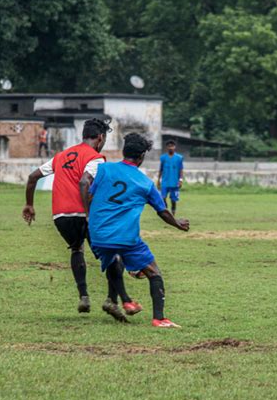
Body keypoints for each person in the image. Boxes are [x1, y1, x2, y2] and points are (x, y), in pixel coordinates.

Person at [22, 118, 134, 320]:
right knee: (114, 254)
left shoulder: (61, 156)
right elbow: (84, 182)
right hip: (85, 214)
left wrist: (29, 204)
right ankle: (112, 300)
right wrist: (89, 213)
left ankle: (84, 296)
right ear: (100, 138)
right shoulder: (95, 158)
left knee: (76, 248)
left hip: (61, 216)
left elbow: (32, 177)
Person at [85, 133, 190, 328]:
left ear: (124, 152)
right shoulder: (145, 183)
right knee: (154, 273)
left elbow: (89, 194)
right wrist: (178, 224)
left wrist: (90, 217)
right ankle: (159, 318)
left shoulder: (104, 169)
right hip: (125, 237)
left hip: (97, 234)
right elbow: (163, 212)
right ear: (141, 157)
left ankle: (125, 300)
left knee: (113, 261)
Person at [157, 140, 184, 215]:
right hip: (165, 182)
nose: (170, 147)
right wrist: (158, 180)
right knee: (163, 198)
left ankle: (173, 212)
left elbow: (181, 170)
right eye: (169, 146)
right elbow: (161, 169)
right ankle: (166, 212)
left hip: (175, 182)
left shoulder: (179, 158)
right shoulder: (163, 158)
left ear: (175, 147)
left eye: (172, 146)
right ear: (167, 147)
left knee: (173, 200)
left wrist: (181, 180)